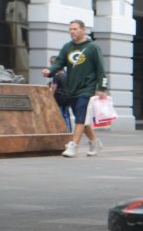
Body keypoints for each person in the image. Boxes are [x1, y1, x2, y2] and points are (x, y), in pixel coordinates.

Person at [42, 20, 107, 158]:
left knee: (80, 117)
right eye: (70, 29)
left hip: (87, 88)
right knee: (82, 119)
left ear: (83, 30)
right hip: (71, 88)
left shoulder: (93, 47)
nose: (72, 32)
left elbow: (101, 69)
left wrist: (102, 87)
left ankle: (73, 146)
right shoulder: (67, 47)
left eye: (75, 29)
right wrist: (50, 70)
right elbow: (59, 63)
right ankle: (95, 142)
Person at [47, 55, 72, 131]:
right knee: (66, 114)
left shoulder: (57, 76)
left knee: (60, 114)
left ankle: (63, 130)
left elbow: (54, 88)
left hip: (59, 98)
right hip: (67, 97)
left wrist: (50, 96)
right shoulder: (67, 74)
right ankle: (68, 130)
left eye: (51, 63)